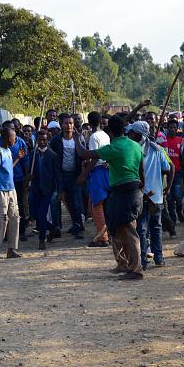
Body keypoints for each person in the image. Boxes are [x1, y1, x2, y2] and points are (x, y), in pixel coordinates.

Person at [73, 115, 145, 280]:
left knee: (128, 231)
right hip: (133, 191)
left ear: (110, 132)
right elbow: (141, 170)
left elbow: (84, 154)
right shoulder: (135, 145)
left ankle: (136, 269)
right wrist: (142, 187)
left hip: (123, 193)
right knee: (117, 228)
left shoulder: (113, 148)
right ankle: (124, 264)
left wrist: (77, 138)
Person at [127, 121, 173, 270]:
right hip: (156, 195)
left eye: (132, 133)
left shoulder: (134, 150)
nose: (129, 135)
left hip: (142, 196)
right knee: (155, 227)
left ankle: (144, 260)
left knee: (142, 229)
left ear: (138, 134)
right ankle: (158, 257)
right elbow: (167, 168)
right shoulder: (157, 149)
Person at [0, 127, 23, 259]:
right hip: (0, 190)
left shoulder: (8, 151)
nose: (15, 139)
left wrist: (18, 159)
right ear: (8, 138)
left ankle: (12, 248)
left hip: (11, 188)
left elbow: (8, 169)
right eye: (14, 137)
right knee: (1, 219)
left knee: (14, 218)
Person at [49, 114, 86, 240]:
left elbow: (83, 157)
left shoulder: (79, 139)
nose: (69, 125)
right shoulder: (56, 140)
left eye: (71, 123)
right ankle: (57, 227)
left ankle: (77, 226)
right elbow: (52, 158)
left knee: (75, 202)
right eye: (66, 123)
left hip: (74, 175)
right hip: (60, 175)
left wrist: (82, 174)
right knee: (55, 199)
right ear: (61, 125)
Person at [78, 111, 110, 247]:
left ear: (89, 122)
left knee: (96, 206)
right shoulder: (105, 135)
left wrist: (84, 173)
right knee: (104, 205)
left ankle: (103, 238)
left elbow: (95, 156)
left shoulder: (93, 137)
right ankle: (107, 233)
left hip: (97, 171)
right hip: (107, 170)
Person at [29, 130, 62, 250]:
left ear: (47, 140)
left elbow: (58, 175)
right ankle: (52, 228)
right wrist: (28, 177)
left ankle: (41, 239)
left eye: (44, 140)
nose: (42, 142)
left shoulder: (53, 156)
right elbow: (29, 171)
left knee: (42, 214)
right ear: (36, 140)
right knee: (34, 214)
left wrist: (60, 191)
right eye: (39, 140)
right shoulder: (33, 154)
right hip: (35, 189)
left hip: (47, 189)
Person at [165, 119, 184, 224]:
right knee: (169, 197)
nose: (172, 129)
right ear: (167, 128)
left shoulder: (180, 140)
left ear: (177, 129)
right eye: (170, 127)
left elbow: (183, 155)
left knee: (177, 195)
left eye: (174, 128)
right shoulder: (163, 140)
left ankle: (179, 210)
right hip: (166, 173)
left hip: (177, 172)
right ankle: (172, 218)